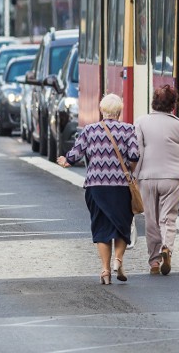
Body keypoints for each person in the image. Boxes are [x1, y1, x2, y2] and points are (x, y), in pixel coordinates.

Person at [57, 94, 139, 285]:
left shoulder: (89, 130)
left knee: (101, 227)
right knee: (121, 225)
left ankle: (105, 270)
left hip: (96, 187)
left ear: (102, 110)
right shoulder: (128, 130)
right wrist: (129, 171)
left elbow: (74, 155)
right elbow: (134, 155)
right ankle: (118, 260)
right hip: (120, 187)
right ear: (119, 111)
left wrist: (65, 160)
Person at [133, 85, 179, 276]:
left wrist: (135, 177)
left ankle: (154, 262)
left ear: (154, 102)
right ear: (173, 105)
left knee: (151, 220)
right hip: (172, 177)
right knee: (168, 218)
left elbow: (138, 151)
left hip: (147, 177)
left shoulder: (141, 122)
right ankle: (167, 248)